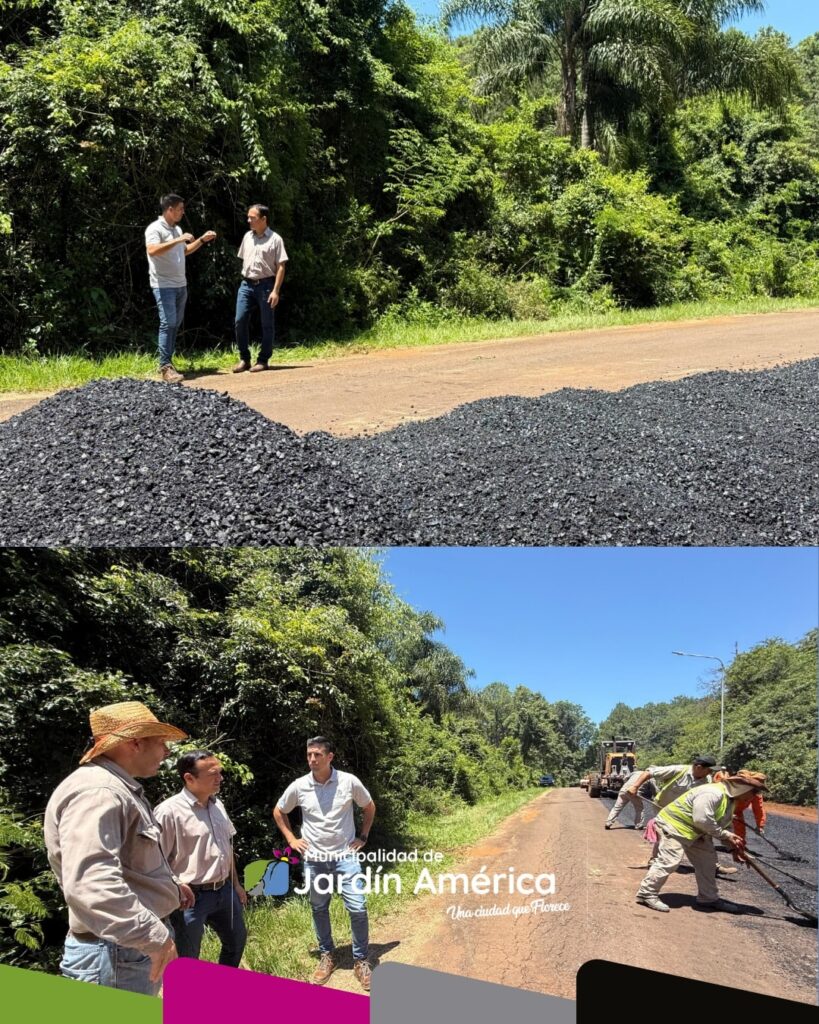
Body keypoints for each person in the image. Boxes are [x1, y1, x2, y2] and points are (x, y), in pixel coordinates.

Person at [44, 701, 191, 995]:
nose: (167, 751)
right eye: (160, 742)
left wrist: (171, 886)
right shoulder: (100, 792)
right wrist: (154, 937)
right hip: (116, 953)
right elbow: (92, 883)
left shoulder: (114, 788)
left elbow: (127, 863)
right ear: (134, 742)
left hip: (121, 951)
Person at [273, 736, 376, 991]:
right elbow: (279, 811)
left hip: (345, 856)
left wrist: (363, 836)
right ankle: (327, 954)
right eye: (309, 754)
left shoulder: (348, 781)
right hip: (315, 860)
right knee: (319, 908)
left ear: (330, 757)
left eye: (317, 754)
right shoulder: (299, 786)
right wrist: (291, 839)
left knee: (358, 907)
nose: (311, 759)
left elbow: (369, 806)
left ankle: (361, 959)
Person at [154, 750, 248, 968]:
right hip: (190, 899)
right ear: (189, 778)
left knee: (236, 941)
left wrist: (236, 884)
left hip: (225, 891)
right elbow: (154, 860)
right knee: (188, 957)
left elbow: (227, 847)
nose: (220, 778)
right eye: (213, 774)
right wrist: (176, 885)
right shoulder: (168, 812)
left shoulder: (217, 805)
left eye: (220, 773)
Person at [635, 769, 769, 914]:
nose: (754, 797)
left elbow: (724, 824)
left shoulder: (730, 800)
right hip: (674, 826)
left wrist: (733, 848)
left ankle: (708, 898)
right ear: (744, 788)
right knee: (669, 861)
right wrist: (725, 835)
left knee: (707, 863)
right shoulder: (713, 793)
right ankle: (646, 894)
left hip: (696, 831)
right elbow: (702, 820)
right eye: (754, 792)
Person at [145, 193, 217, 382]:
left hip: (180, 284)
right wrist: (178, 240)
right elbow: (152, 250)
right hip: (163, 285)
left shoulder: (177, 230)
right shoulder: (155, 228)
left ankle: (168, 362)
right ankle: (165, 367)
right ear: (169, 209)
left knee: (174, 324)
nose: (183, 212)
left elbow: (183, 251)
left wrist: (201, 240)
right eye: (180, 209)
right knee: (167, 323)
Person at [622, 755, 717, 862]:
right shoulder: (679, 770)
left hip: (686, 812)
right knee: (664, 833)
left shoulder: (707, 780)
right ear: (698, 767)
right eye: (709, 770)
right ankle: (655, 860)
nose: (711, 773)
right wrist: (635, 786)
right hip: (664, 808)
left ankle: (712, 865)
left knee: (703, 835)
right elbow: (650, 772)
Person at [232, 204, 288, 373]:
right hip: (246, 284)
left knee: (267, 324)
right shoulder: (247, 237)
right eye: (248, 217)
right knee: (239, 321)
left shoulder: (275, 239)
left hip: (266, 285)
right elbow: (243, 258)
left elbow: (281, 266)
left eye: (252, 218)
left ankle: (263, 360)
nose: (248, 220)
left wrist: (276, 291)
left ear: (264, 219)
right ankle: (244, 359)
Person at [604, 765, 646, 829]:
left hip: (623, 790)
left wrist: (626, 784)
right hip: (633, 792)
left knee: (616, 807)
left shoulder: (636, 772)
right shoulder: (650, 776)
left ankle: (608, 823)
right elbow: (654, 789)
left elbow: (625, 778)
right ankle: (638, 825)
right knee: (639, 808)